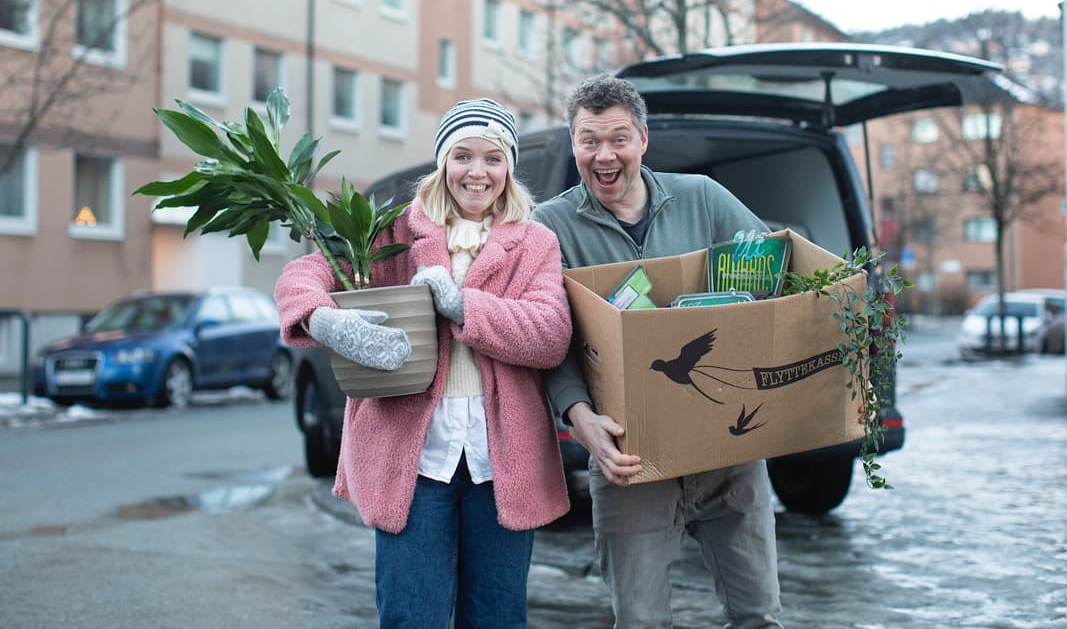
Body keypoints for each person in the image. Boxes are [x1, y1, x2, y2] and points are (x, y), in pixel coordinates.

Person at [275, 98, 573, 629]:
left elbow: (549, 336)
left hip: (500, 463)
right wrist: (327, 322)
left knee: (498, 618)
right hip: (413, 464)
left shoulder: (535, 243)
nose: (477, 172)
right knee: (413, 616)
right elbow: (302, 276)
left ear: (508, 167)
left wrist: (460, 304)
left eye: (492, 158)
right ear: (441, 163)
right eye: (462, 156)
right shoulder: (392, 233)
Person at [532, 75, 784, 629]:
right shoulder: (547, 229)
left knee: (759, 615)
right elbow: (548, 341)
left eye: (618, 139)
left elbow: (772, 282)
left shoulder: (703, 198)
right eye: (589, 141)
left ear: (643, 139)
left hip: (728, 450)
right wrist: (580, 420)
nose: (604, 155)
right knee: (641, 621)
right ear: (573, 144)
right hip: (629, 458)